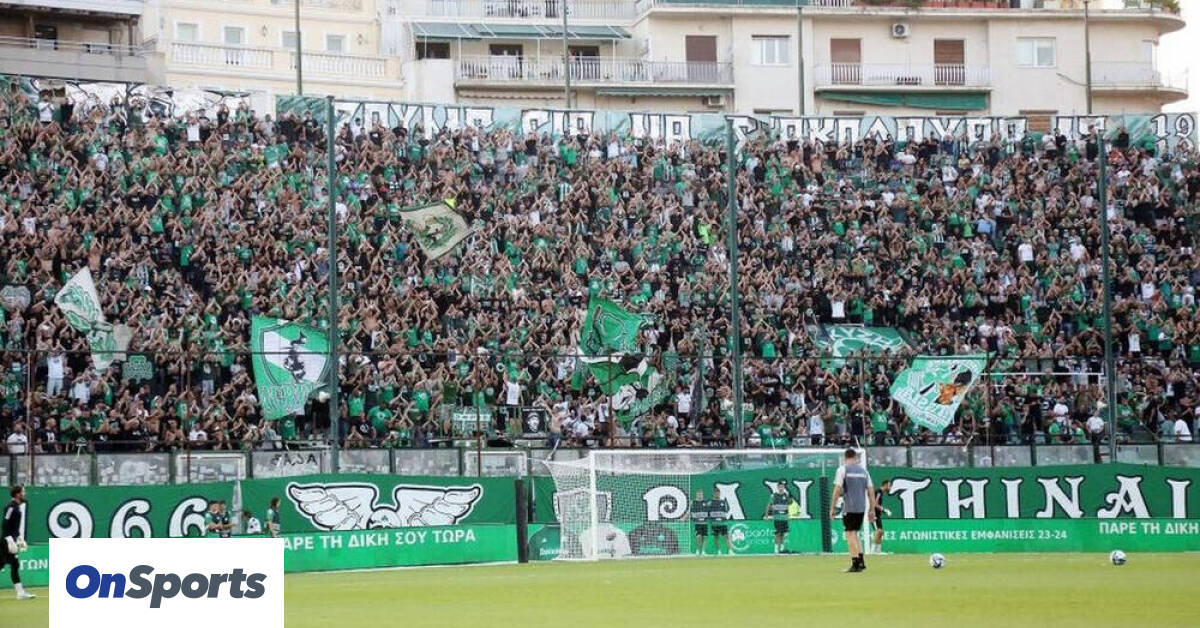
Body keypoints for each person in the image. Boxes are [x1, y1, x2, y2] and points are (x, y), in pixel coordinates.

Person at [829, 449, 876, 573]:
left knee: (849, 534)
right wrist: (872, 509)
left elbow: (837, 489)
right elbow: (871, 491)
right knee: (855, 533)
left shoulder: (843, 469)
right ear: (855, 458)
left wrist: (832, 507)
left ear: (845, 458)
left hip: (850, 507)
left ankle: (855, 563)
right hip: (861, 507)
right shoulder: (864, 471)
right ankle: (861, 562)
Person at [2, 486, 35, 599]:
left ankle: (20, 593)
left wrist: (19, 538)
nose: (24, 494)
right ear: (17, 494)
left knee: (15, 564)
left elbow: (14, 527)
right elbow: (5, 524)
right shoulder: (11, 507)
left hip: (12, 539)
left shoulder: (17, 507)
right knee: (3, 564)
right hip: (6, 540)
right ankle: (20, 592)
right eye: (23, 492)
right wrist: (9, 540)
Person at [764, 483, 790, 554]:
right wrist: (766, 515)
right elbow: (769, 505)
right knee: (777, 533)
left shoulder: (786, 495)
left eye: (782, 487)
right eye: (780, 487)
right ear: (777, 487)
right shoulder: (774, 496)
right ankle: (776, 549)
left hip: (784, 517)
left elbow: (789, 503)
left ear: (784, 487)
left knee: (783, 533)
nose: (781, 488)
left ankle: (782, 549)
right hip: (777, 517)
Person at [871, 479, 893, 554]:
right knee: (878, 531)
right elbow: (875, 503)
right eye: (889, 486)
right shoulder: (878, 492)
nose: (890, 488)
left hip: (878, 515)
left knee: (880, 532)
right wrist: (884, 510)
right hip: (874, 514)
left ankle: (878, 551)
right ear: (885, 485)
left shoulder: (881, 493)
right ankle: (872, 551)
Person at [708, 487, 731, 555]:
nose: (717, 494)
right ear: (713, 494)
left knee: (726, 536)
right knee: (716, 537)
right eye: (716, 493)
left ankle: (730, 550)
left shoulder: (723, 502)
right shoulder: (710, 502)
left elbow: (726, 511)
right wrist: (711, 521)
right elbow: (708, 512)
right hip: (714, 523)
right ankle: (719, 551)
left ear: (720, 494)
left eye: (718, 493)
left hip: (722, 523)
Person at [690, 489, 709, 555]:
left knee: (705, 537)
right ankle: (698, 550)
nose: (700, 496)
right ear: (696, 495)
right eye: (698, 494)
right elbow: (689, 511)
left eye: (701, 494)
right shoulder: (693, 502)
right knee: (698, 537)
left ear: (702, 495)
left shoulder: (705, 502)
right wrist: (684, 518)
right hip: (697, 523)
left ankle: (703, 551)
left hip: (705, 523)